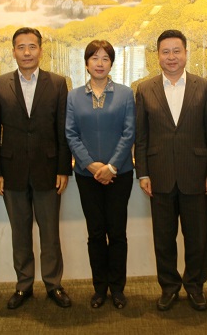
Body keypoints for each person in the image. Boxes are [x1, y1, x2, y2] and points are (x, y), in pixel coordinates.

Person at [0, 27, 73, 309]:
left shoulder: (57, 83)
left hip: (48, 170)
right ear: (13, 51)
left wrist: (63, 169)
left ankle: (53, 284)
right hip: (11, 171)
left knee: (50, 234)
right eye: (21, 47)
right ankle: (23, 286)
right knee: (20, 233)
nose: (27, 52)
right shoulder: (0, 84)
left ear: (40, 51)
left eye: (32, 46)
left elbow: (62, 130)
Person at [135, 29, 207, 312]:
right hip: (158, 175)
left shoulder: (205, 87)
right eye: (165, 52)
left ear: (185, 53)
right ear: (157, 56)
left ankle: (195, 287)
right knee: (163, 239)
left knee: (197, 238)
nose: (171, 57)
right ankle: (169, 287)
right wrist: (143, 173)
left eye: (176, 51)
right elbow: (141, 136)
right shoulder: (145, 89)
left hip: (196, 174)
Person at [65, 40, 135, 309]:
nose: (100, 63)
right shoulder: (73, 96)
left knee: (117, 233)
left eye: (105, 58)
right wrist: (91, 165)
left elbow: (129, 132)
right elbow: (71, 134)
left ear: (111, 63)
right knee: (95, 233)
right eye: (94, 58)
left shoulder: (125, 94)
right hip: (87, 176)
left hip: (120, 175)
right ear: (86, 63)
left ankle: (117, 289)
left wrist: (111, 167)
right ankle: (99, 289)